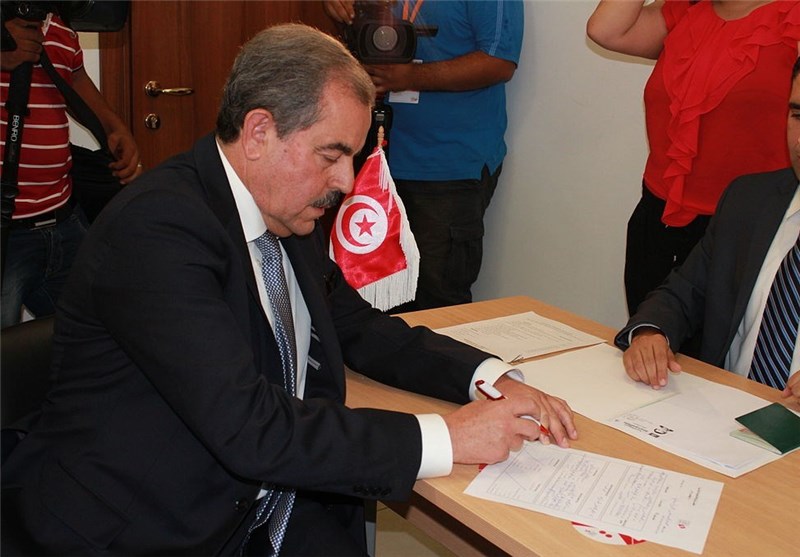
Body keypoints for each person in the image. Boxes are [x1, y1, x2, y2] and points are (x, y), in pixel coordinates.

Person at [1, 24, 577, 556]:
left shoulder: (283, 208)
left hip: (268, 502)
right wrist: (447, 437)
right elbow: (250, 428)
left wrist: (486, 376)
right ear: (259, 132)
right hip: (147, 526)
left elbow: (357, 326)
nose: (346, 182)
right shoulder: (157, 231)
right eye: (333, 155)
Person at [587, 0, 800, 318]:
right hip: (659, 220)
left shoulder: (791, 16)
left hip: (749, 231)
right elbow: (604, 29)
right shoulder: (686, 9)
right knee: (647, 340)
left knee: (731, 348)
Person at [614, 56, 800, 406]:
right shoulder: (749, 200)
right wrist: (651, 331)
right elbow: (682, 292)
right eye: (798, 116)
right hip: (725, 411)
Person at [324, 0, 523, 311]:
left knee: (437, 302)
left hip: (446, 168)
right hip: (367, 156)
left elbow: (499, 62)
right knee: (361, 294)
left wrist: (412, 77)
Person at [0, 11, 141, 328]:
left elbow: (74, 78)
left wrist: (115, 128)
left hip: (65, 223)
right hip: (7, 233)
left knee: (95, 337)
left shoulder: (61, 24)